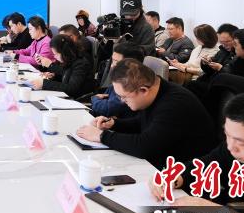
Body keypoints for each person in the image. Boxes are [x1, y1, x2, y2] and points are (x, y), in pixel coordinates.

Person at [149, 92, 244, 213]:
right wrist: (175, 177)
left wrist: (213, 210)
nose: (230, 147)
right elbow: (206, 164)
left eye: (241, 142)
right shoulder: (234, 149)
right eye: (227, 135)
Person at [76, 59, 216, 169]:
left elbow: (144, 146)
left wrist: (101, 136)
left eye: (124, 97)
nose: (122, 101)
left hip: (190, 175)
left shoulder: (174, 104)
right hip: (166, 162)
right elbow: (142, 122)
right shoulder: (158, 90)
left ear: (143, 90)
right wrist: (113, 124)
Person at [91, 42, 144, 118]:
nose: (112, 65)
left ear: (131, 65)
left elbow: (106, 109)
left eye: (117, 62)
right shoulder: (120, 78)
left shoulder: (130, 84)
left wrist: (95, 99)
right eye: (112, 61)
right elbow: (105, 98)